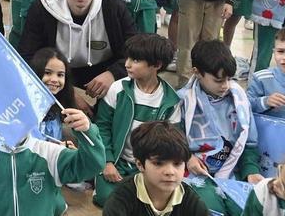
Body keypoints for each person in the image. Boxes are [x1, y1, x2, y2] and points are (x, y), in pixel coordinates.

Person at [18, 0, 138, 109]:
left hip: (102, 68)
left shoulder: (114, 8)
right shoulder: (42, 8)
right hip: (58, 70)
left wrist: (113, 74)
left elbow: (136, 52)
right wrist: (67, 93)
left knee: (136, 79)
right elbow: (27, 57)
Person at [94, 34, 181, 206]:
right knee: (107, 199)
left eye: (135, 60)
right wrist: (107, 162)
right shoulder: (118, 88)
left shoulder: (171, 100)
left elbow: (172, 143)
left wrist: (154, 170)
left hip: (149, 167)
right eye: (128, 58)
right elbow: (101, 127)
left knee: (157, 201)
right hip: (117, 163)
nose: (127, 64)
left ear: (156, 65)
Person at [178, 40, 261, 214]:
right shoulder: (182, 100)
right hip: (194, 173)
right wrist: (187, 157)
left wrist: (251, 171)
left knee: (247, 208)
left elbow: (249, 143)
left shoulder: (239, 99)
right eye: (218, 80)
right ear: (197, 72)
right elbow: (171, 141)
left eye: (229, 79)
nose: (225, 86)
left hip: (232, 168)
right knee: (209, 208)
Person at [0, 106, 104, 215]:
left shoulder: (49, 152)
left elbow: (93, 165)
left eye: (23, 114)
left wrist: (87, 132)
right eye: (8, 115)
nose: (15, 121)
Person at [101, 121, 208, 216]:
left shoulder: (190, 201)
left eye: (177, 163)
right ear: (140, 164)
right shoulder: (120, 199)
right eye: (158, 163)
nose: (170, 172)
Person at [29, 48, 76, 142]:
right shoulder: (24, 107)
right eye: (47, 73)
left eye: (60, 75)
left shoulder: (59, 108)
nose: (54, 79)